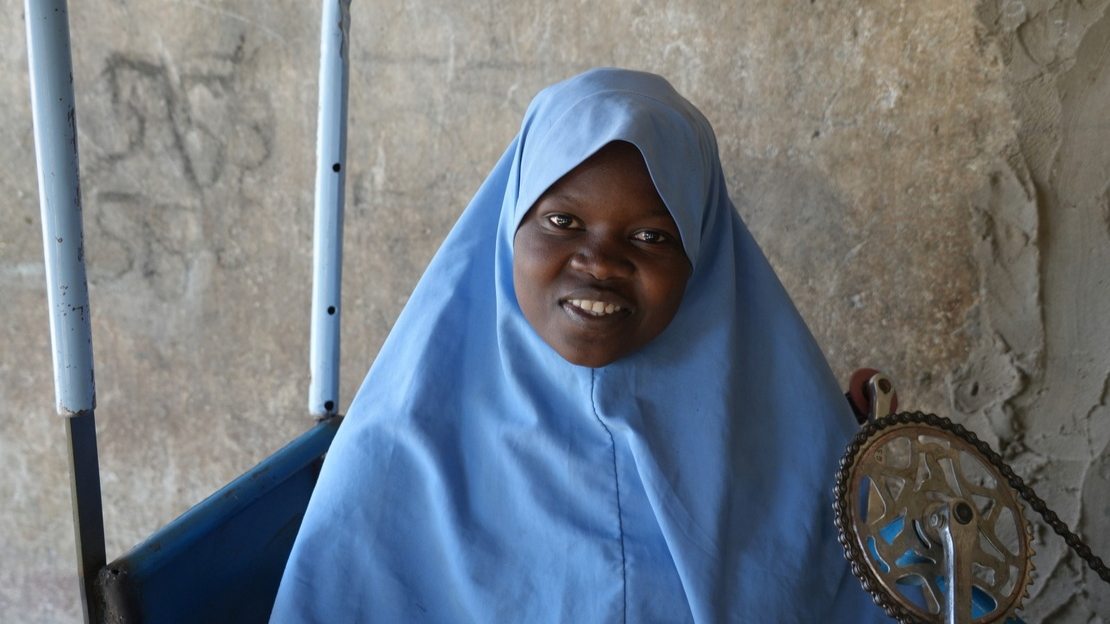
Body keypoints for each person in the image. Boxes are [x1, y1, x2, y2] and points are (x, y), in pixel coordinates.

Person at [269, 68, 889, 623]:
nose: (599, 264)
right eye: (563, 222)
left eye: (650, 235)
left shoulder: (804, 451)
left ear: (702, 253)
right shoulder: (401, 447)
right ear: (511, 222)